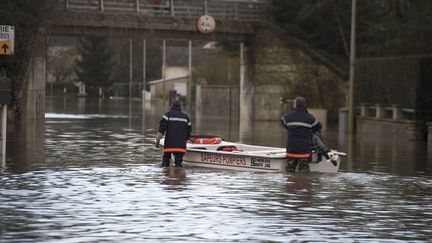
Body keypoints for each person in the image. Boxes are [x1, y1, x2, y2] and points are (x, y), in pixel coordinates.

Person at [281, 97, 322, 173]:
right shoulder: (310, 118)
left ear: (295, 105)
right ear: (305, 106)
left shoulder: (287, 117)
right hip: (304, 151)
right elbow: (319, 127)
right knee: (304, 174)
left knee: (289, 172)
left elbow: (283, 122)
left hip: (291, 150)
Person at [155, 100, 192, 168]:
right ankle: (179, 176)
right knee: (178, 165)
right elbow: (189, 132)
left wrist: (157, 141)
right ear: (180, 107)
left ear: (171, 106)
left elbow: (161, 130)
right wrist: (185, 142)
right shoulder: (185, 117)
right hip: (181, 147)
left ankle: (166, 175)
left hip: (169, 145)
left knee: (165, 164)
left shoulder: (167, 115)